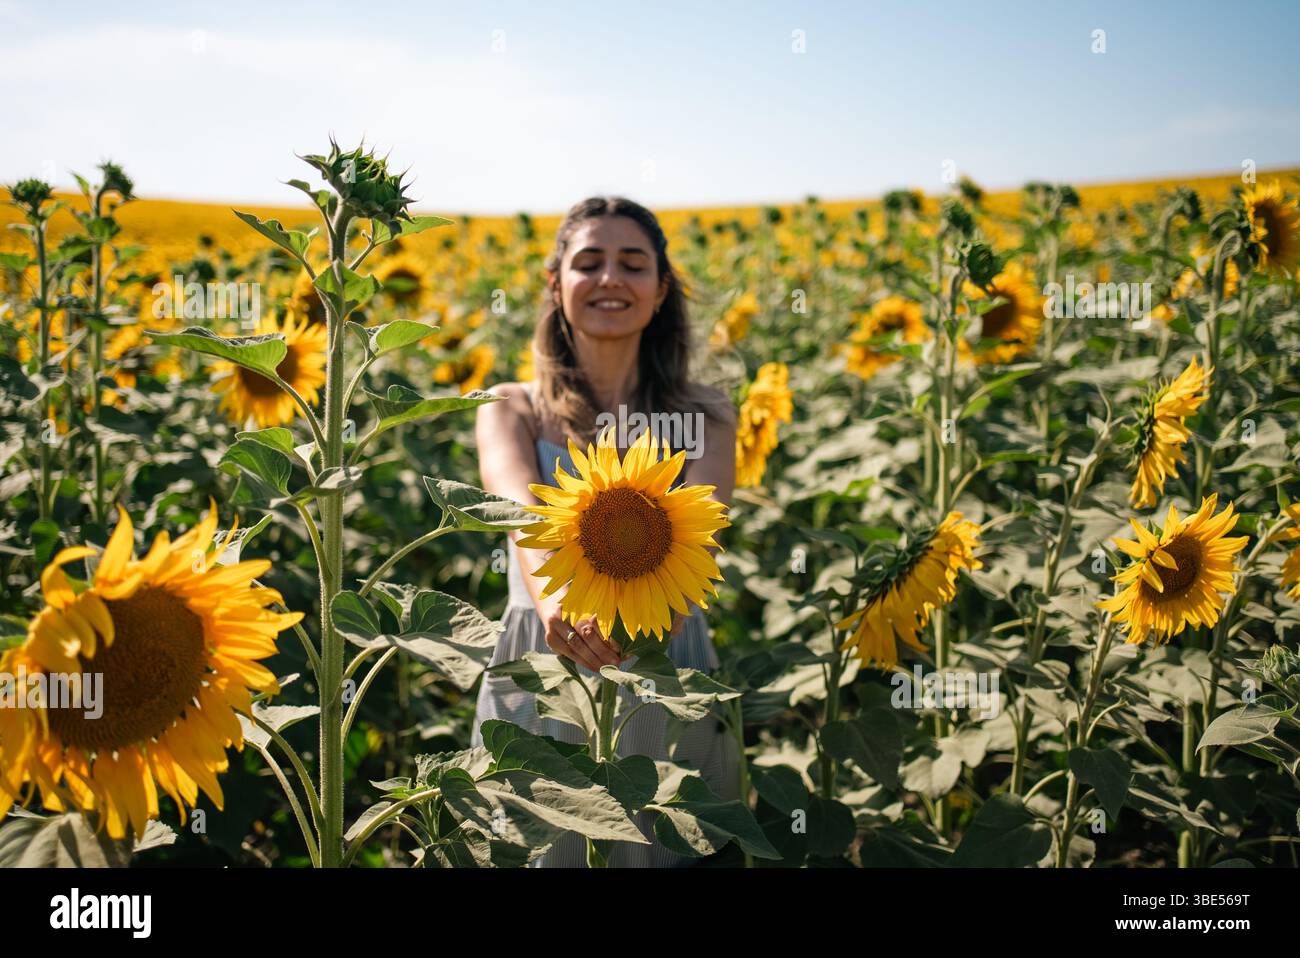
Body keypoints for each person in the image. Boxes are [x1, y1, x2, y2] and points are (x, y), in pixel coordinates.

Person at [471, 195, 740, 867]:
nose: (610, 279)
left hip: (661, 652)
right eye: (589, 262)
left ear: (660, 289)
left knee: (660, 836)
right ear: (555, 285)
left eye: (633, 263)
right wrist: (562, 609)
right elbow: (522, 518)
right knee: (537, 843)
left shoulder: (704, 413)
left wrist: (642, 631)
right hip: (542, 647)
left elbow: (702, 535)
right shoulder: (511, 408)